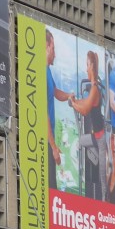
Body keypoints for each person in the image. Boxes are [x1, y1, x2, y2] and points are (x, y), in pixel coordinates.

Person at [70, 50, 106, 201]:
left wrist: (73, 103)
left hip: (101, 140)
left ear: (92, 66)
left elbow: (85, 110)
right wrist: (74, 101)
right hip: (93, 138)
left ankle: (105, 204)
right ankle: (85, 175)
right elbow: (84, 103)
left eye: (87, 65)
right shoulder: (92, 89)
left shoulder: (95, 89)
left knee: (102, 178)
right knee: (77, 144)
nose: (85, 68)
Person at [45, 29, 72, 191]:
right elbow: (44, 115)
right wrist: (54, 146)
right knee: (50, 188)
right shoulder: (41, 70)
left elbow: (55, 92)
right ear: (47, 47)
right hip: (45, 141)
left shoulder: (47, 70)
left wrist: (69, 96)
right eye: (53, 49)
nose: (55, 54)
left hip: (49, 139)